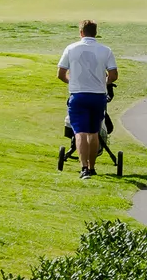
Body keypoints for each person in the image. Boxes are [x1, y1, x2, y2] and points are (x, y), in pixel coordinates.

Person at [57, 20, 118, 179]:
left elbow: (60, 74)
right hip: (98, 96)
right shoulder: (106, 50)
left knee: (80, 132)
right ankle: (92, 167)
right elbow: (113, 75)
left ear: (81, 32)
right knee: (93, 133)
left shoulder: (71, 48)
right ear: (95, 33)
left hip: (78, 95)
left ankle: (84, 168)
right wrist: (104, 83)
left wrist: (73, 81)